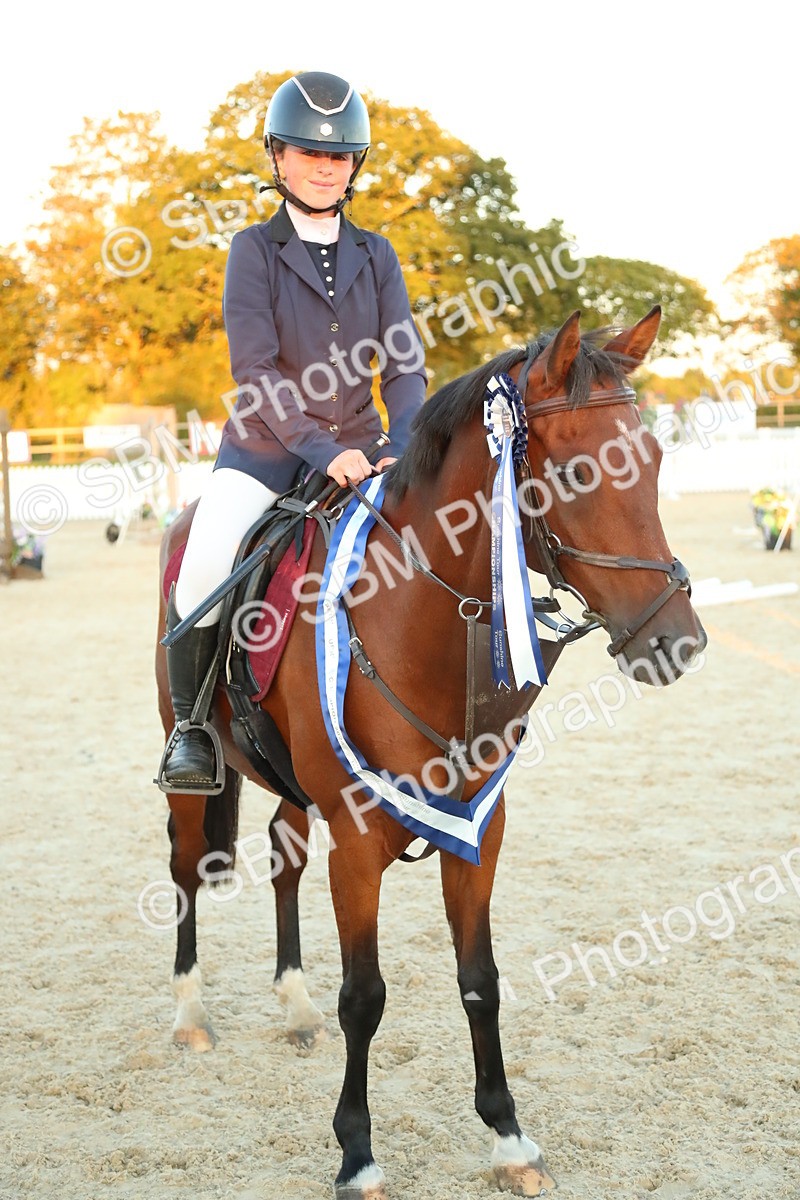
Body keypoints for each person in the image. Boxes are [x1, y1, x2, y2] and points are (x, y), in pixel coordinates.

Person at [157, 71, 427, 792]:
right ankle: (190, 731)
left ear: (354, 167)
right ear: (277, 158)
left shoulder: (378, 255)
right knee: (205, 568)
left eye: (337, 157)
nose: (323, 166)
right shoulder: (252, 250)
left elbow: (403, 365)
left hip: (367, 451)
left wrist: (403, 441)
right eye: (308, 153)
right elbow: (257, 370)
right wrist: (321, 449)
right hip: (266, 453)